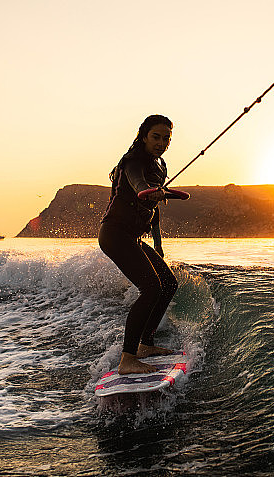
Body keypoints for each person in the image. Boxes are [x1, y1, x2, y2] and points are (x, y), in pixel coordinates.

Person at [98, 114, 179, 374]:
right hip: (114, 234)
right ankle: (128, 359)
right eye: (156, 137)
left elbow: (154, 209)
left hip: (132, 237)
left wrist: (158, 244)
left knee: (168, 284)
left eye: (166, 139)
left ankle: (145, 345)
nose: (161, 143)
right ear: (144, 136)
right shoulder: (133, 161)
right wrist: (147, 190)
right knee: (152, 288)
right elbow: (138, 183)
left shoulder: (159, 166)